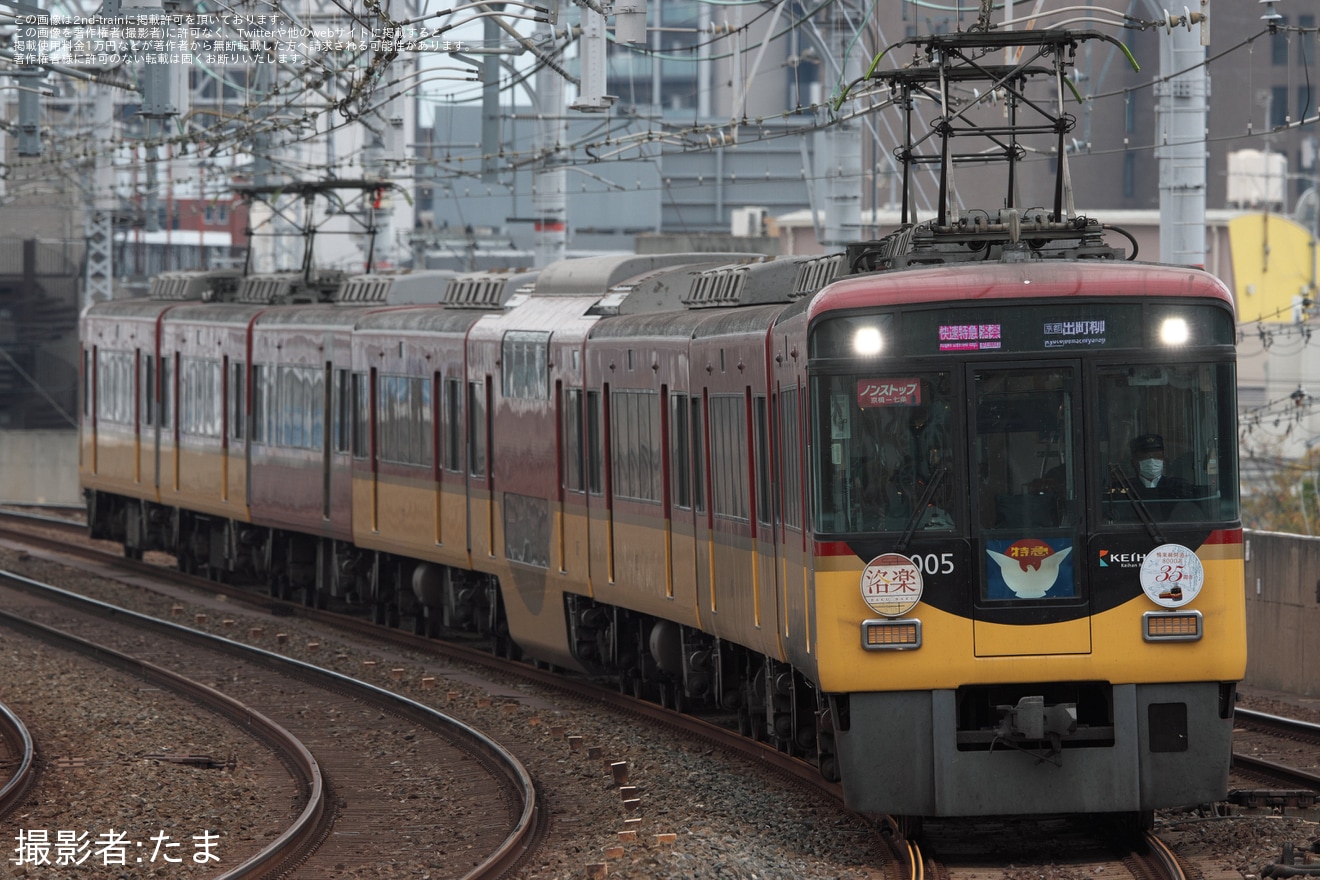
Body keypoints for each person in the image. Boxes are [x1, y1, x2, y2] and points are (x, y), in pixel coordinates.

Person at [1126, 434, 1192, 499]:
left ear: (1163, 460)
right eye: (1145, 457)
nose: (1151, 461)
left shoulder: (1177, 486)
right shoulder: (1126, 486)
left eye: (1157, 456)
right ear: (1134, 461)